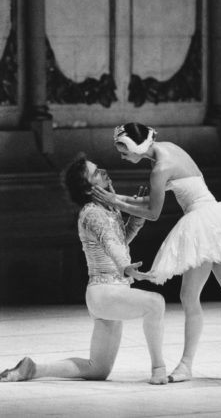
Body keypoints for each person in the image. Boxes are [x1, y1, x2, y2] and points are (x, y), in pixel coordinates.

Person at [92, 123, 221, 384]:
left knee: (191, 295)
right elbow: (151, 202)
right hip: (216, 216)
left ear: (136, 146)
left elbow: (152, 213)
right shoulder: (167, 150)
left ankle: (186, 365)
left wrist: (115, 201)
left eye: (123, 150)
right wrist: (118, 199)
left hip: (201, 222)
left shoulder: (159, 169)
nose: (122, 156)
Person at [0, 153, 167, 385]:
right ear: (89, 188)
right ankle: (159, 369)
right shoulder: (92, 213)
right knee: (155, 303)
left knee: (97, 369)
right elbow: (111, 244)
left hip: (107, 294)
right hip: (105, 292)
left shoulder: (109, 209)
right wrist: (126, 266)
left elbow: (119, 241)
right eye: (96, 172)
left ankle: (33, 369)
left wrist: (136, 222)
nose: (103, 171)